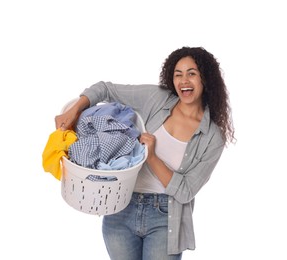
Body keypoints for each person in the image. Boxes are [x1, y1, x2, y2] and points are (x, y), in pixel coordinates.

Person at [55, 46, 235, 260]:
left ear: (206, 79)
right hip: (121, 207)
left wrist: (151, 157)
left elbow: (186, 190)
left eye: (192, 73)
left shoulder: (213, 137)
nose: (184, 81)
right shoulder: (157, 98)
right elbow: (106, 89)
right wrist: (74, 109)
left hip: (165, 219)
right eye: (178, 74)